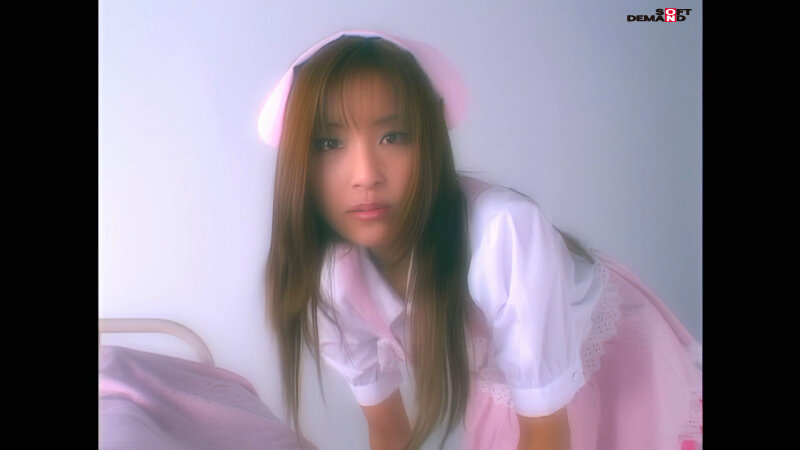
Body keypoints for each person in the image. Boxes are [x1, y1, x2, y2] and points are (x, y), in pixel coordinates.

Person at [261, 30, 702, 450]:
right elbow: (389, 432)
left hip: (615, 372)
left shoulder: (504, 235)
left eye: (393, 137)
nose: (365, 175)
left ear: (430, 136)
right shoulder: (332, 278)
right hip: (507, 379)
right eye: (329, 143)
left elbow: (547, 433)